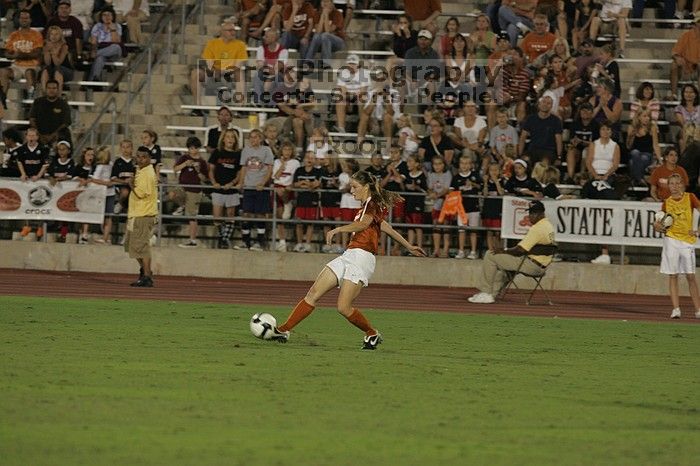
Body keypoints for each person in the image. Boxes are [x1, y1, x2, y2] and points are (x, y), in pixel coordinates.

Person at [267, 170, 427, 348]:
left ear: (366, 187)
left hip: (362, 258)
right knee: (313, 293)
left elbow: (364, 225)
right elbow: (385, 226)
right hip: (349, 255)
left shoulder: (371, 204)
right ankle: (283, 330)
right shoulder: (366, 207)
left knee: (343, 307)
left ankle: (372, 333)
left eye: (354, 187)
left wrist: (337, 229)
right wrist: (409, 246)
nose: (351, 190)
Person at [468, 200, 555, 304]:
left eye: (533, 213)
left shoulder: (537, 228)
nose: (530, 216)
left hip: (531, 265)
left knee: (490, 255)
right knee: (501, 263)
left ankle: (486, 292)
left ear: (541, 214)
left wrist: (504, 250)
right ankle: (492, 294)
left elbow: (520, 250)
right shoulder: (548, 225)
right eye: (530, 212)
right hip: (541, 267)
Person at [654, 174, 700, 319]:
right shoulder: (666, 202)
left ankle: (698, 309)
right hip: (671, 240)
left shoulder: (690, 197)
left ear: (681, 184)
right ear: (668, 186)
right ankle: (676, 309)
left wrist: (698, 230)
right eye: (671, 183)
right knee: (673, 275)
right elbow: (659, 222)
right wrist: (657, 226)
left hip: (687, 240)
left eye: (676, 183)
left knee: (690, 276)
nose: (674, 186)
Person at [189, 21, 247, 113]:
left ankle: (241, 108)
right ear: (222, 32)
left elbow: (238, 65)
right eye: (230, 30)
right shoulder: (212, 44)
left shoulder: (240, 45)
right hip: (214, 74)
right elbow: (209, 64)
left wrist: (224, 71)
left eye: (234, 30)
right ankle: (197, 107)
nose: (233, 33)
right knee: (195, 73)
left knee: (239, 73)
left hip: (230, 75)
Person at [124, 146, 158, 288]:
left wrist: (131, 184)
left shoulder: (147, 173)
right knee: (132, 246)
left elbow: (141, 193)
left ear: (149, 158)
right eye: (138, 156)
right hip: (136, 213)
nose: (140, 159)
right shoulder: (141, 170)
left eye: (143, 157)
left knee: (141, 247)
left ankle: (147, 276)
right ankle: (145, 271)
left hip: (143, 214)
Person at [236, 129, 274, 251]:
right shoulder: (246, 150)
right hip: (248, 186)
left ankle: (260, 241)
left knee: (260, 214)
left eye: (256, 137)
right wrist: (241, 182)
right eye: (251, 137)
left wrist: (263, 183)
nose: (253, 140)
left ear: (260, 138)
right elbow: (244, 168)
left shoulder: (266, 150)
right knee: (246, 213)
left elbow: (269, 169)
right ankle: (245, 241)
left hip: (260, 188)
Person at [209, 128, 242, 249]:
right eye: (228, 137)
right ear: (223, 139)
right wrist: (214, 182)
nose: (230, 139)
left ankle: (225, 239)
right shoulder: (217, 152)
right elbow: (211, 170)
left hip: (231, 189)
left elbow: (239, 172)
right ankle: (222, 237)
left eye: (232, 137)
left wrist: (233, 183)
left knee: (230, 215)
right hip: (218, 188)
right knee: (217, 216)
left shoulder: (238, 154)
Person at [172, 137, 208, 248]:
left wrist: (198, 171)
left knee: (192, 216)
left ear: (199, 148)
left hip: (195, 190)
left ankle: (192, 240)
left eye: (195, 148)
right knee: (172, 194)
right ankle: (182, 206)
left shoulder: (202, 162)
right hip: (183, 187)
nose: (193, 150)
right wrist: (185, 164)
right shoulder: (184, 157)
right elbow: (175, 169)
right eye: (191, 148)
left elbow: (204, 178)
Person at [0, 9, 43, 99]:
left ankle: (30, 100)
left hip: (33, 66)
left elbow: (37, 53)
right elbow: (7, 53)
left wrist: (18, 55)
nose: (24, 20)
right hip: (16, 67)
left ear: (30, 20)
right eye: (22, 18)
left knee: (29, 72)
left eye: (26, 18)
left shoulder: (36, 34)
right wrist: (13, 55)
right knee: (3, 71)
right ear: (19, 20)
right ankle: (2, 98)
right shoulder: (13, 35)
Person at [272, 141, 301, 251]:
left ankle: (287, 202)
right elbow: (275, 177)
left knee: (284, 191)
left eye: (289, 150)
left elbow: (295, 177)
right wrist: (282, 165)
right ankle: (282, 241)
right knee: (280, 217)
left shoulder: (295, 162)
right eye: (285, 149)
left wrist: (290, 186)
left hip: (289, 187)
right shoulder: (276, 162)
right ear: (281, 151)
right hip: (278, 187)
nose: (287, 152)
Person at [451, 155, 482, 260]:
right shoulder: (456, 178)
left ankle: (473, 251)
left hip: (474, 208)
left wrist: (472, 184)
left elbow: (481, 187)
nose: (464, 165)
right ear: (459, 164)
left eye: (467, 163)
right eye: (462, 163)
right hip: (461, 208)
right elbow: (452, 192)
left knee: (473, 230)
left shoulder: (475, 175)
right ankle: (461, 251)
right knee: (462, 230)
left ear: (471, 165)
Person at [517, 96, 563, 164]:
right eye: (543, 102)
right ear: (539, 104)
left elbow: (559, 140)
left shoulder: (556, 121)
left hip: (549, 151)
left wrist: (559, 157)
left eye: (548, 103)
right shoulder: (530, 118)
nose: (545, 104)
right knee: (524, 161)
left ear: (551, 106)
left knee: (543, 164)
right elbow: (523, 137)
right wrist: (520, 155)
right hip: (532, 150)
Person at [292, 153, 322, 252]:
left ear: (315, 160)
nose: (309, 160)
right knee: (299, 222)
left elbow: (316, 185)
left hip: (312, 199)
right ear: (304, 159)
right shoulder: (299, 170)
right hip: (300, 199)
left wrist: (304, 183)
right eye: (307, 157)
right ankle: (299, 243)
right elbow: (295, 184)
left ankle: (307, 244)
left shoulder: (318, 171)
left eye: (312, 158)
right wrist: (305, 184)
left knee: (310, 223)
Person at [29, 79, 72, 147]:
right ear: (45, 89)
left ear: (58, 89)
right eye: (49, 88)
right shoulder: (38, 102)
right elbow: (32, 119)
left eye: (54, 88)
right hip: (39, 135)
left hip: (58, 136)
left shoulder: (63, 104)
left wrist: (53, 135)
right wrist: (39, 135)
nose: (51, 90)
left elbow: (66, 122)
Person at [304, 0, 346, 68]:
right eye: (323, 1)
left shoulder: (337, 14)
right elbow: (318, 31)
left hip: (338, 42)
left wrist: (326, 15)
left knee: (325, 35)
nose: (324, 3)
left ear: (332, 3)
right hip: (323, 42)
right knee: (317, 36)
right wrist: (322, 16)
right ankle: (308, 61)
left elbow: (328, 31)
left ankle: (326, 63)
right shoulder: (317, 14)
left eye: (327, 1)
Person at [670, 11, 700, 99]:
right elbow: (674, 52)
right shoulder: (686, 35)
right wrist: (677, 57)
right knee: (674, 64)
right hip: (684, 67)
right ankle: (674, 94)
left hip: (697, 68)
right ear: (695, 24)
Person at [88, 8, 123, 82]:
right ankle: (94, 79)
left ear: (113, 16)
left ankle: (91, 55)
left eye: (109, 15)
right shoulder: (97, 26)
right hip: (101, 49)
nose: (107, 17)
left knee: (116, 47)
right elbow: (94, 42)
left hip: (114, 51)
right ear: (101, 17)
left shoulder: (117, 26)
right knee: (100, 58)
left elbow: (116, 41)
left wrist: (113, 29)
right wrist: (94, 49)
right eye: (104, 15)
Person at [40, 25, 74, 92]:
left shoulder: (64, 46)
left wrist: (53, 53)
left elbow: (57, 63)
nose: (54, 36)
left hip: (65, 70)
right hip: (52, 69)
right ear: (49, 35)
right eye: (51, 34)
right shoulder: (46, 45)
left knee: (58, 70)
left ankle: (58, 95)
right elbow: (48, 63)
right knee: (45, 70)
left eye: (56, 34)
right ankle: (45, 93)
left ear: (60, 35)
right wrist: (47, 51)